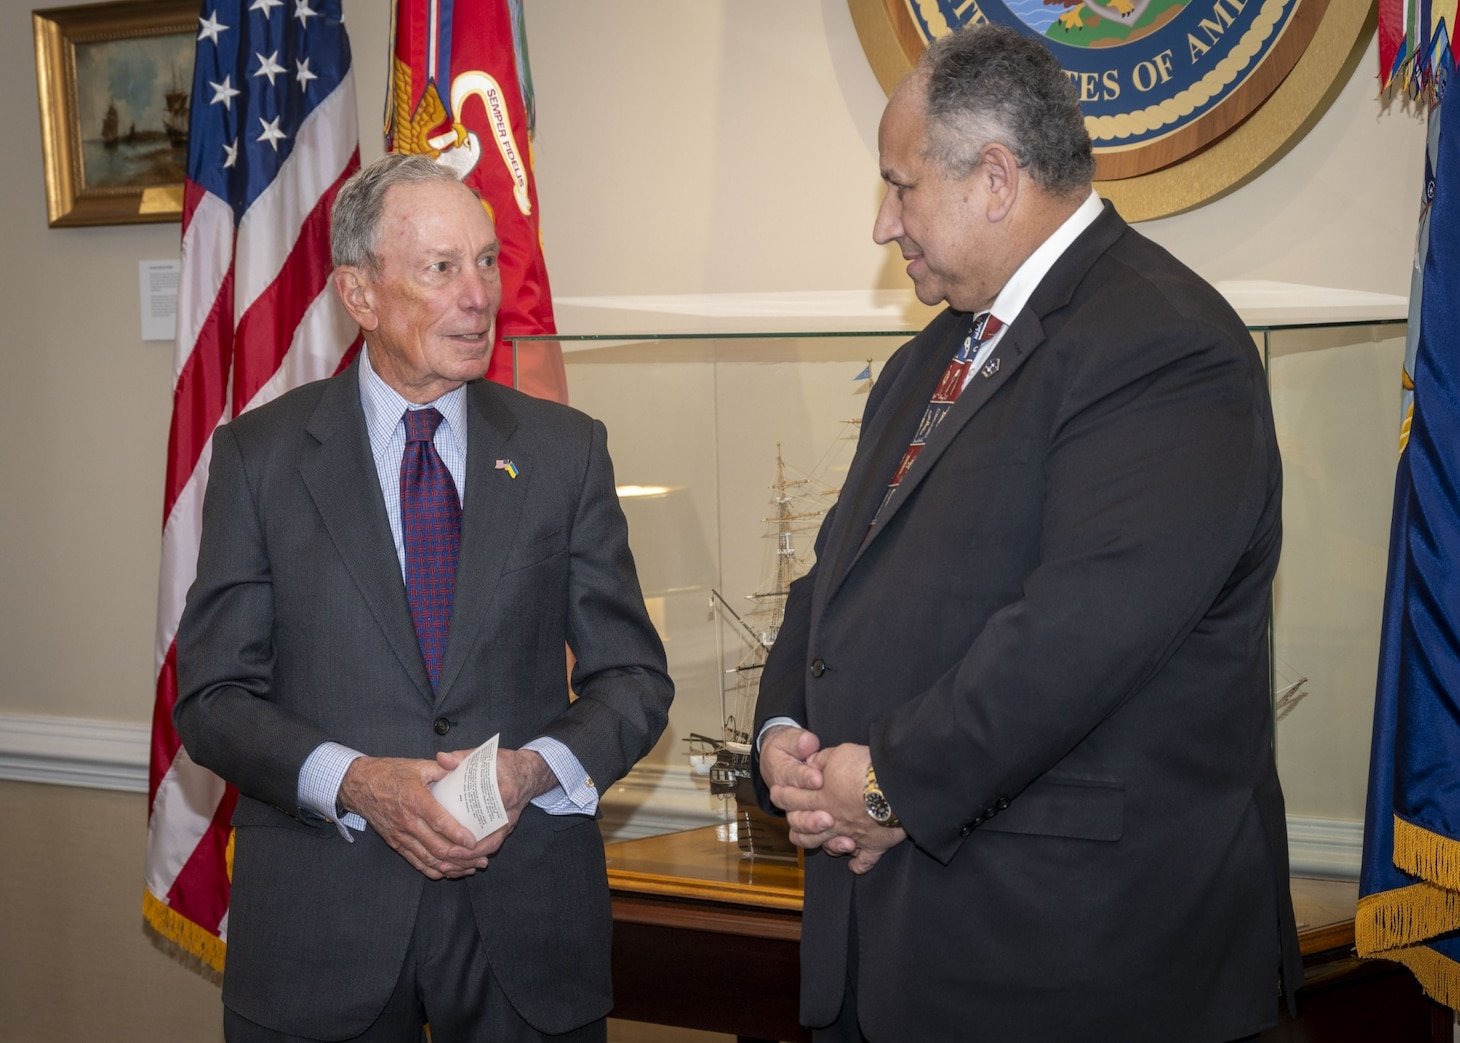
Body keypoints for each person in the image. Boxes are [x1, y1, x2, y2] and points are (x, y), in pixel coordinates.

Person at [753, 23, 1301, 1042]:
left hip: (1070, 964)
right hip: (897, 947)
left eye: (899, 185)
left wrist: (883, 784)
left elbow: (1078, 630)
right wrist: (782, 734)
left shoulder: (1164, 346)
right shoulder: (933, 356)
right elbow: (832, 579)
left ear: (994, 179)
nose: (882, 223)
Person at [174, 153, 673, 1042]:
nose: (479, 295)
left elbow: (633, 678)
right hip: (325, 933)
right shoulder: (262, 457)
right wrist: (359, 782)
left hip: (526, 926)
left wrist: (534, 772)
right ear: (360, 295)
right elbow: (213, 701)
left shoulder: (566, 452)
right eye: (442, 268)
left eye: (486, 261)